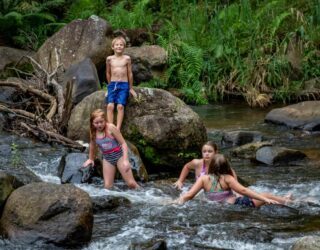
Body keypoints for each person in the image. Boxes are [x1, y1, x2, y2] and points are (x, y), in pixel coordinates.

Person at [176, 154, 292, 207]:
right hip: (236, 205)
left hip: (216, 206)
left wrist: (176, 201)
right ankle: (286, 201)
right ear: (226, 166)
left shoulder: (203, 179)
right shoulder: (227, 178)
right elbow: (243, 190)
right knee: (267, 194)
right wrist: (264, 199)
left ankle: (284, 199)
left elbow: (190, 195)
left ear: (211, 166)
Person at [83, 109, 139, 189]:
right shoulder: (93, 131)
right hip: (107, 159)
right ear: (92, 123)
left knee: (131, 184)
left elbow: (123, 143)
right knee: (107, 187)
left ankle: (147, 197)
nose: (99, 125)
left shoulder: (111, 128)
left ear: (105, 120)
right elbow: (92, 145)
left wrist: (126, 160)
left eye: (101, 122)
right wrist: (91, 159)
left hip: (119, 156)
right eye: (96, 123)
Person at [105, 36, 137, 131]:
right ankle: (111, 127)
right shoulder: (109, 59)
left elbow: (130, 73)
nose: (119, 46)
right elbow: (108, 72)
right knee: (110, 105)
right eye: (117, 45)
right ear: (113, 47)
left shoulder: (127, 59)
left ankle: (117, 129)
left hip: (124, 84)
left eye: (121, 45)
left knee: (120, 106)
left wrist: (130, 88)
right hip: (113, 84)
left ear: (124, 47)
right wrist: (109, 86)